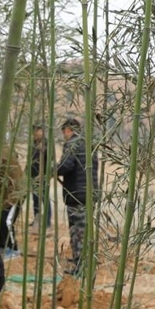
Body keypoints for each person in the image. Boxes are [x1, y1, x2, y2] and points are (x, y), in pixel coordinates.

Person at [56, 116, 98, 276]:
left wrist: (53, 168)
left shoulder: (73, 143)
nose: (64, 135)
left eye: (64, 132)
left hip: (77, 196)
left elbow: (66, 165)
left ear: (68, 130)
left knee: (77, 233)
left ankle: (81, 268)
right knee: (84, 231)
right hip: (88, 194)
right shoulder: (88, 144)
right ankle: (82, 262)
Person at [0, 147, 25, 258]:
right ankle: (2, 245)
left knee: (7, 221)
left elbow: (17, 183)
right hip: (3, 196)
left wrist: (11, 200)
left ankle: (14, 248)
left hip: (15, 195)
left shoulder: (8, 159)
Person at [29, 124, 52, 227]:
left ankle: (47, 222)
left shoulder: (46, 144)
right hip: (33, 176)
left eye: (38, 131)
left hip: (42, 176)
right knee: (35, 199)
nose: (36, 134)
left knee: (44, 199)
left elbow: (51, 160)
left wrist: (44, 150)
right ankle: (37, 220)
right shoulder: (33, 144)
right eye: (35, 131)